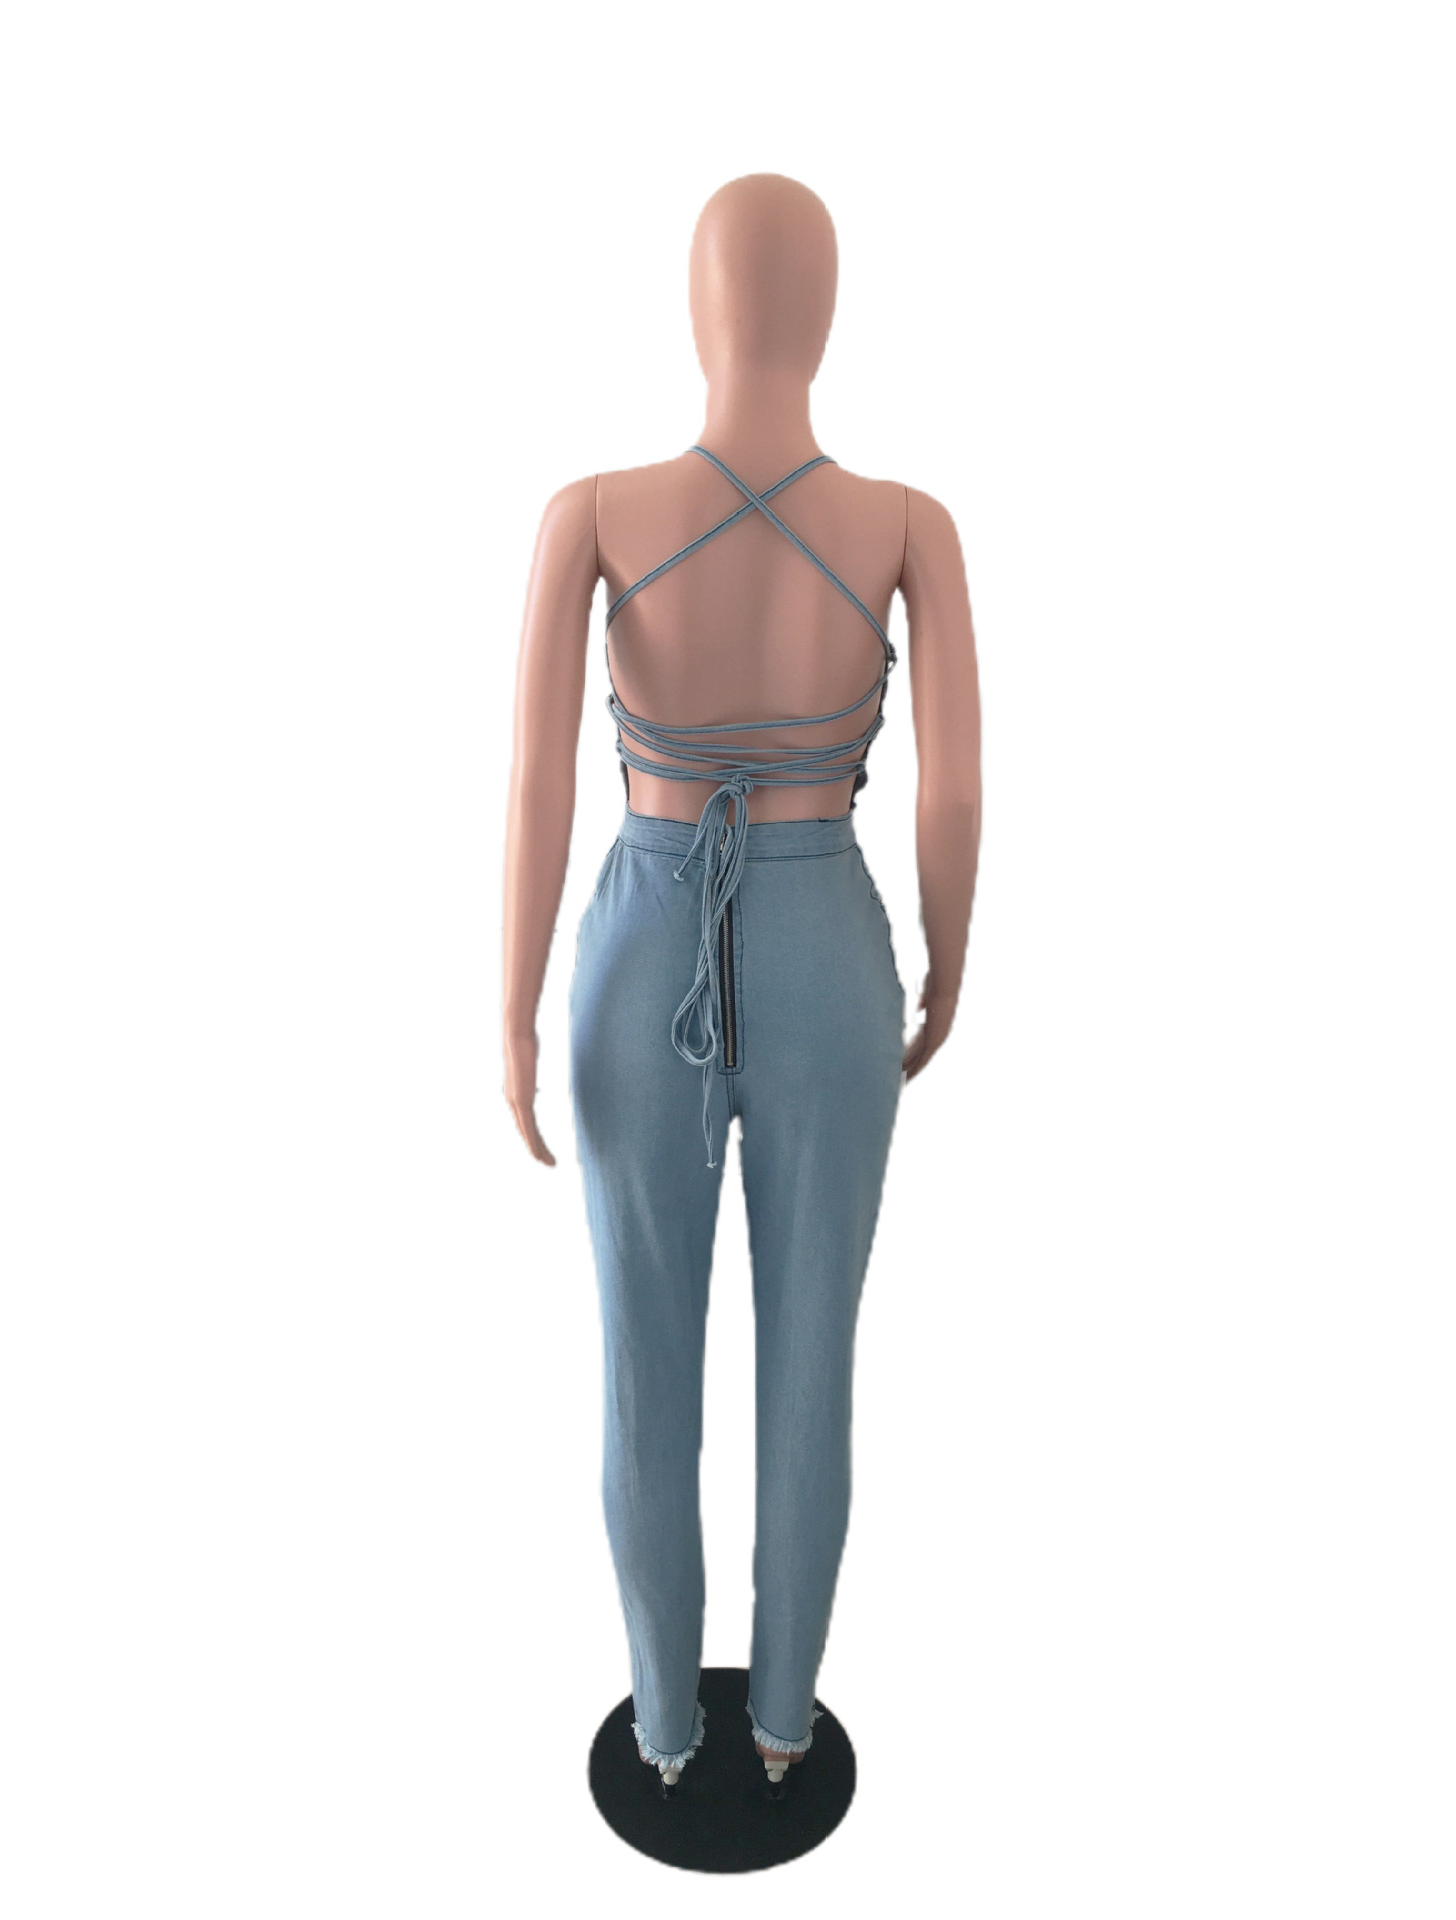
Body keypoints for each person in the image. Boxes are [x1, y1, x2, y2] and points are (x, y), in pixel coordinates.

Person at [500, 173, 981, 1797]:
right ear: (823, 316)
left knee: (643, 1363)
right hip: (829, 938)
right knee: (812, 1356)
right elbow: (956, 789)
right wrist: (951, 954)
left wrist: (510, 1009)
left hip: (643, 937)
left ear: (697, 311)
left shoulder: (592, 511)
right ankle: (779, 1730)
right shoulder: (908, 525)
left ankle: (662, 1727)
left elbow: (533, 784)